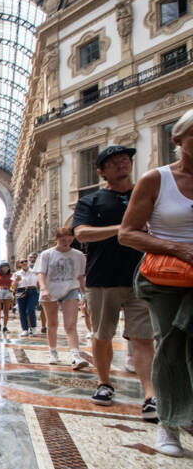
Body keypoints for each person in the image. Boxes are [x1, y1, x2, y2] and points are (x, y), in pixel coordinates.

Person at [119, 108, 193, 456]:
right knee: (171, 345)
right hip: (167, 277)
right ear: (178, 139)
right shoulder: (156, 180)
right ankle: (168, 423)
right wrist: (179, 248)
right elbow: (127, 233)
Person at [73, 145, 156, 415]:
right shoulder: (91, 201)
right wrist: (124, 229)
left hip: (142, 277)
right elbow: (81, 233)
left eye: (125, 159)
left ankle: (150, 394)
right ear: (101, 172)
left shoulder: (146, 195)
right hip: (102, 278)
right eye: (113, 162)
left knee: (143, 338)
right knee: (102, 335)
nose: (121, 164)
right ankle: (104, 383)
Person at [34, 228, 87, 366]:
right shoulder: (46, 254)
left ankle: (75, 356)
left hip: (71, 289)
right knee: (52, 324)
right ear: (56, 239)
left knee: (71, 325)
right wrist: (44, 289)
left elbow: (80, 276)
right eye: (63, 240)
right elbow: (41, 273)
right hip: (50, 290)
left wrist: (85, 293)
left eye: (69, 240)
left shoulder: (78, 255)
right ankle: (53, 352)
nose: (66, 242)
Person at [11, 257, 39, 336]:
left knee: (30, 309)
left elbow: (38, 282)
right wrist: (16, 281)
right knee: (22, 311)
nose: (24, 263)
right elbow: (13, 287)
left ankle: (33, 328)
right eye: (22, 262)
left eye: (25, 261)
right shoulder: (17, 274)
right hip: (21, 291)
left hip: (32, 290)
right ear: (19, 264)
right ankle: (25, 329)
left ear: (28, 262)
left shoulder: (34, 272)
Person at [0, 262, 14, 333]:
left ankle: (5, 327)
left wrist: (12, 288)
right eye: (4, 268)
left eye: (7, 268)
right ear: (0, 268)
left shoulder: (11, 275)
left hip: (7, 291)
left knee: (6, 310)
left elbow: (14, 283)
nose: (5, 269)